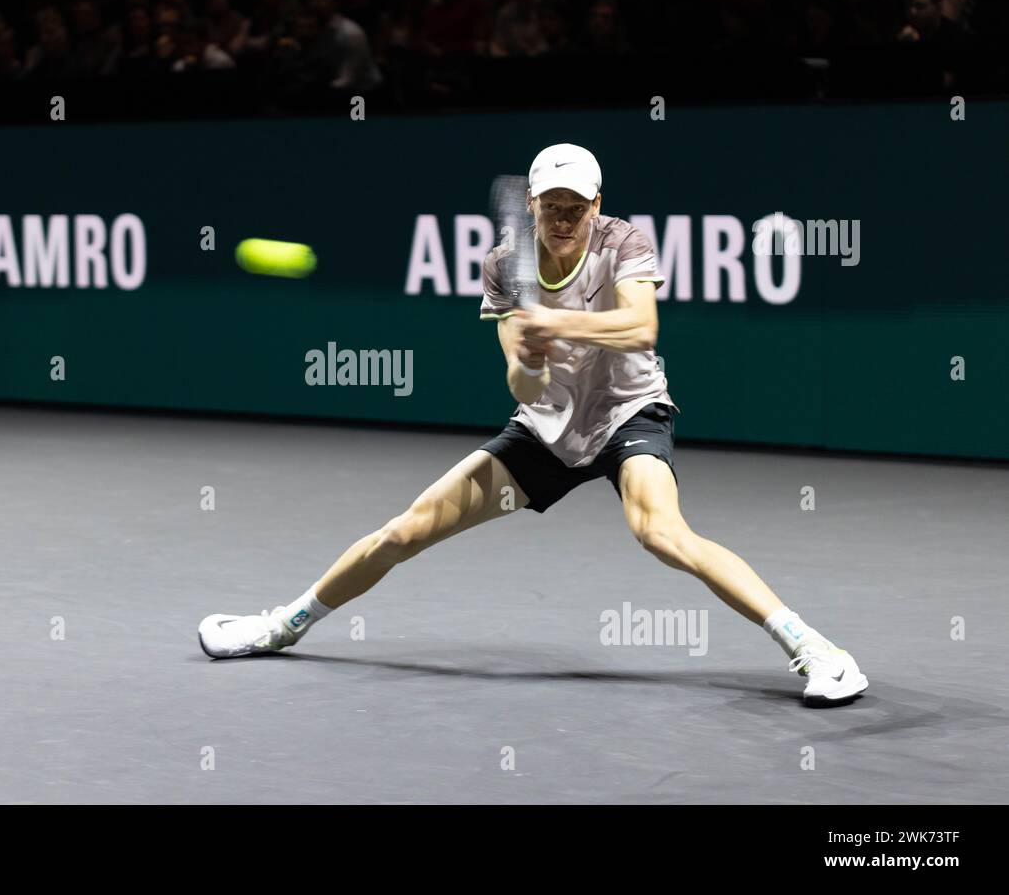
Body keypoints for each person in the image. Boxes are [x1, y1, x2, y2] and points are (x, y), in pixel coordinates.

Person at [198, 144, 870, 708]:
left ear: (598, 206)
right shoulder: (503, 265)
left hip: (628, 413)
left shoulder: (623, 242)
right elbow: (520, 385)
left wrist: (558, 322)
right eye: (553, 207)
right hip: (545, 430)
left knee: (659, 530)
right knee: (405, 529)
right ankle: (281, 625)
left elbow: (642, 326)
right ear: (534, 206)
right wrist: (528, 357)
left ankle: (815, 647)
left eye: (578, 207)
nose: (565, 219)